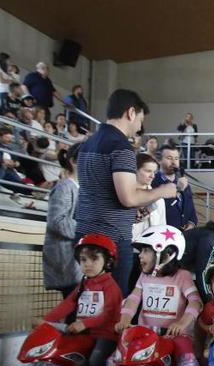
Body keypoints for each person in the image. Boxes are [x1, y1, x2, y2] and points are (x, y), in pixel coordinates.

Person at [74, 89, 177, 295]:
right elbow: (128, 197)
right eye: (140, 119)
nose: (140, 127)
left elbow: (102, 191)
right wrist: (162, 191)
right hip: (110, 237)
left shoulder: (88, 144)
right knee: (112, 305)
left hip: (83, 234)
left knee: (85, 301)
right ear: (130, 113)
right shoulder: (120, 146)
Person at [114, 226, 202, 366]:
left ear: (166, 253)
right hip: (146, 332)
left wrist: (182, 323)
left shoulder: (182, 276)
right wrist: (125, 319)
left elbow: (196, 302)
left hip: (174, 335)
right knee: (113, 362)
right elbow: (133, 298)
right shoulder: (144, 276)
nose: (140, 255)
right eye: (141, 251)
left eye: (146, 250)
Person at [40, 234, 123, 366]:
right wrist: (46, 320)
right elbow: (67, 304)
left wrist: (84, 323)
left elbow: (108, 314)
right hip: (84, 333)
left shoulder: (110, 286)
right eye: (83, 260)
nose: (88, 264)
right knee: (64, 353)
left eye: (94, 259)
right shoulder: (83, 285)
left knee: (94, 363)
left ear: (108, 262)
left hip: (105, 334)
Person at [43, 144, 82, 298]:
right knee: (72, 309)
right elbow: (57, 222)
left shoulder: (82, 188)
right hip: (67, 258)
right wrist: (87, 228)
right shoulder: (64, 187)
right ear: (74, 161)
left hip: (78, 259)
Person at [152, 145, 197, 231]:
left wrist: (192, 223)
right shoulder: (153, 182)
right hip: (163, 234)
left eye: (176, 158)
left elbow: (191, 209)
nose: (174, 162)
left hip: (185, 235)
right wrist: (178, 190)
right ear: (159, 160)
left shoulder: (183, 182)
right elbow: (157, 210)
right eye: (169, 158)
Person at [131, 153, 167, 242]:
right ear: (135, 170)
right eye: (148, 171)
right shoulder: (123, 197)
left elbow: (162, 227)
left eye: (154, 172)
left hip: (151, 249)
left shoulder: (159, 199)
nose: (152, 176)